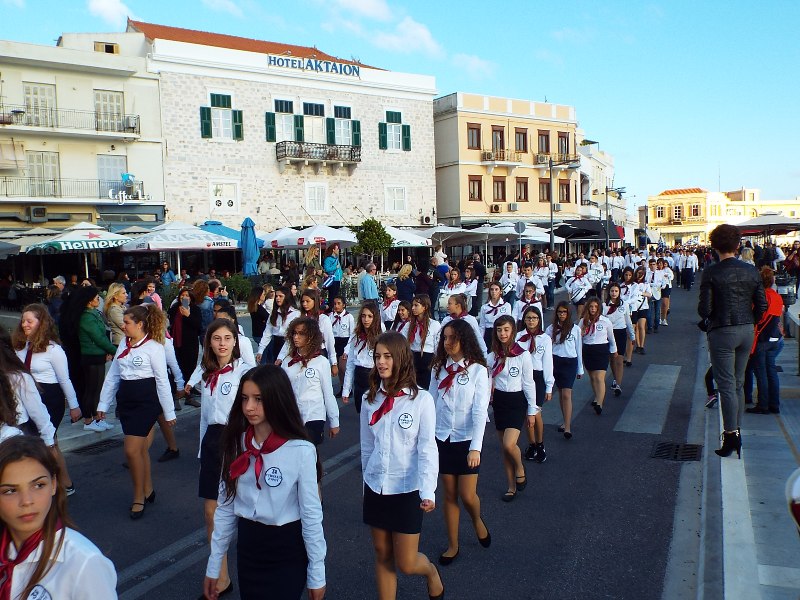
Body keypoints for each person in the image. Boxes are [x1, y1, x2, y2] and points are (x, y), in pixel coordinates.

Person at [205, 366, 326, 600]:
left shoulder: (301, 450)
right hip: (249, 547)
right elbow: (226, 507)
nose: (249, 407)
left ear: (277, 399)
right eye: (245, 398)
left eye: (258, 399)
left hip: (286, 549)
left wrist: (317, 572)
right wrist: (214, 565)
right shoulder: (236, 444)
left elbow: (311, 514)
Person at [360, 331, 443, 600]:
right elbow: (367, 448)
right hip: (376, 487)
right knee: (382, 554)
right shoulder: (369, 398)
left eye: (387, 356)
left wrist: (428, 491)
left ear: (401, 358)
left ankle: (431, 572)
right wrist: (366, 487)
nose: (381, 362)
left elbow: (427, 448)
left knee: (407, 563)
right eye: (377, 356)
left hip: (407, 488)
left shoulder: (421, 400)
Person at [0, 436, 117, 599]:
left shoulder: (84, 563)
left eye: (38, 485)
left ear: (53, 484)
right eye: (10, 491)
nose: (26, 501)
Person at [185, 319, 250, 598]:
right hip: (212, 444)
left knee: (246, 514)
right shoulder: (207, 375)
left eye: (227, 338)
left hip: (237, 443)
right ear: (209, 343)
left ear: (235, 341)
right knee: (211, 512)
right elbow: (205, 418)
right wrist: (202, 453)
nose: (222, 343)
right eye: (216, 338)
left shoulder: (246, 373)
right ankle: (221, 579)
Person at [97, 304, 177, 519]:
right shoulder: (124, 344)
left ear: (140, 324)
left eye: (127, 322)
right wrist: (103, 404)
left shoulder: (154, 347)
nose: (123, 326)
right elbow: (113, 376)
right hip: (126, 402)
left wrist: (169, 412)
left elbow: (162, 381)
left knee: (131, 451)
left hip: (146, 403)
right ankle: (148, 489)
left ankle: (138, 496)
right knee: (140, 450)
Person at [699, 224, 767, 458]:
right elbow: (762, 305)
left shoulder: (712, 272)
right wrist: (750, 321)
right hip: (746, 329)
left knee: (727, 385)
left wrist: (713, 318)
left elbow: (704, 309)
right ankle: (737, 431)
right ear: (737, 245)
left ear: (715, 246)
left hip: (723, 331)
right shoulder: (751, 271)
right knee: (737, 383)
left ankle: (731, 436)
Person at [428, 319, 490, 565]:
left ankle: (476, 519)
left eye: (453, 338)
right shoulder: (438, 369)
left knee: (467, 495)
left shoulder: (477, 370)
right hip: (443, 437)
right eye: (445, 338)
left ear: (464, 340)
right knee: (450, 494)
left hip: (466, 439)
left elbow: (480, 411)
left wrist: (476, 447)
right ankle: (453, 544)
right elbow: (431, 403)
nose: (448, 342)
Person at [12, 305, 81, 495]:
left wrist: (74, 406)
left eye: (29, 321)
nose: (24, 324)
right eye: (23, 321)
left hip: (49, 399)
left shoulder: (54, 350)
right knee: (51, 442)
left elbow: (64, 379)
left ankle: (47, 484)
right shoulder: (20, 347)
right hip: (27, 399)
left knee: (43, 442)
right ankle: (65, 484)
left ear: (41, 323)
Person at [487, 315, 537, 502]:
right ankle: (511, 486)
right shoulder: (492, 356)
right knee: (504, 449)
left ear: (513, 331)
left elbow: (529, 383)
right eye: (499, 330)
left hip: (517, 401)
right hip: (500, 401)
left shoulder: (522, 355)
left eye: (506, 329)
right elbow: (487, 381)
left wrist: (532, 410)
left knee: (509, 444)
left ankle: (520, 468)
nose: (502, 333)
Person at [281, 318, 340, 449]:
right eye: (294, 333)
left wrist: (334, 421)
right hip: (292, 416)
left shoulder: (321, 362)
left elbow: (328, 394)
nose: (296, 337)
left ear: (311, 336)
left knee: (310, 450)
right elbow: (282, 391)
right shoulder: (288, 361)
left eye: (301, 334)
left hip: (314, 415)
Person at [745, 266, 784, 415]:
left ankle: (763, 404)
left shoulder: (762, 296)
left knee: (760, 372)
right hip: (775, 337)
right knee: (771, 370)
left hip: (762, 338)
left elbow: (757, 317)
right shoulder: (776, 296)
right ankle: (774, 404)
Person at [78, 286, 117, 432]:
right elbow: (98, 337)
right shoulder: (87, 317)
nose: (99, 299)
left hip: (98, 355)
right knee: (91, 389)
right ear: (89, 301)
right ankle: (88, 421)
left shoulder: (94, 313)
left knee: (98, 389)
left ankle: (97, 418)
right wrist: (114, 351)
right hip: (91, 356)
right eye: (96, 298)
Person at [517, 306, 553, 463]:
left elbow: (548, 363)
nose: (531, 321)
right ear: (524, 320)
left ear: (539, 320)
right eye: (528, 318)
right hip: (522, 377)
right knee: (527, 413)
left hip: (537, 377)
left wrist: (549, 386)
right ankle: (531, 444)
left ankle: (540, 444)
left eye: (534, 318)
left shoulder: (545, 339)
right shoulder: (518, 337)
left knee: (536, 412)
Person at [547, 302, 583, 439]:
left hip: (570, 362)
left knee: (567, 394)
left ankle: (568, 427)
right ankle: (564, 420)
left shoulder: (575, 329)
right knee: (561, 393)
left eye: (564, 312)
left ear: (568, 314)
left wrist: (580, 368)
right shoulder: (551, 329)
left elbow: (578, 348)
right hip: (556, 361)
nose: (562, 314)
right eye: (559, 312)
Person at [342, 302, 383, 414]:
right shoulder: (356, 335)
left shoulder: (381, 335)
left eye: (370, 316)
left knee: (374, 414)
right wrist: (346, 389)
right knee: (361, 413)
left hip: (375, 377)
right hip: (359, 377)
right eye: (363, 316)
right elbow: (350, 363)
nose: (366, 319)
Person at [578, 298, 617, 414]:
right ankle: (597, 396)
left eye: (595, 307)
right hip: (588, 350)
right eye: (591, 307)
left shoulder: (605, 321)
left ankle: (599, 403)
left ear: (599, 308)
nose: (593, 309)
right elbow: (578, 338)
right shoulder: (583, 321)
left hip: (601, 350)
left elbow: (611, 337)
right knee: (593, 377)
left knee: (599, 377)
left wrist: (614, 350)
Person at [603, 283, 635, 397]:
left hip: (620, 333)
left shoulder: (624, 305)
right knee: (612, 358)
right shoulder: (604, 306)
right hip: (608, 334)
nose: (614, 293)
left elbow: (628, 321)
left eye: (616, 291)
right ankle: (615, 378)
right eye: (612, 291)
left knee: (619, 359)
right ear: (609, 292)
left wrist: (632, 336)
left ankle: (618, 385)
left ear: (619, 292)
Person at [256, 287, 300, 364]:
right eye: (276, 296)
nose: (277, 298)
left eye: (281, 296)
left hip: (290, 346)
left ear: (287, 297)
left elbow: (292, 337)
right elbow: (267, 333)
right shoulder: (274, 314)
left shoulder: (296, 314)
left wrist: (281, 357)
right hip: (275, 345)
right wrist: (260, 351)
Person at [408, 294, 442, 390]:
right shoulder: (409, 324)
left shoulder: (434, 324)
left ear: (425, 307)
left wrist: (437, 362)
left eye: (416, 305)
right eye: (412, 305)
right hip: (413, 359)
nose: (413, 308)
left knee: (425, 388)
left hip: (427, 360)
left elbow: (437, 345)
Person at [441, 294, 487, 358]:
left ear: (458, 305)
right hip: (450, 353)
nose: (447, 306)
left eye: (449, 304)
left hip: (467, 353)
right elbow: (440, 337)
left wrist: (484, 354)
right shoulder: (446, 320)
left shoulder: (470, 319)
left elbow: (478, 337)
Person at [478, 283, 512, 348]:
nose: (494, 292)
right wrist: (481, 340)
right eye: (492, 289)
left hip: (501, 332)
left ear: (500, 291)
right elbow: (482, 325)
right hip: (488, 333)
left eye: (496, 289)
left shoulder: (507, 305)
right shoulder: (484, 307)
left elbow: (509, 324)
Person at [330, 296, 354, 382]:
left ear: (343, 305)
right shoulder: (331, 316)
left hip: (345, 343)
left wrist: (346, 350)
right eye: (335, 304)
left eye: (339, 303)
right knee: (336, 367)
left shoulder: (349, 317)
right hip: (334, 342)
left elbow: (352, 334)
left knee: (343, 367)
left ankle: (346, 386)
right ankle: (341, 385)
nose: (336, 306)